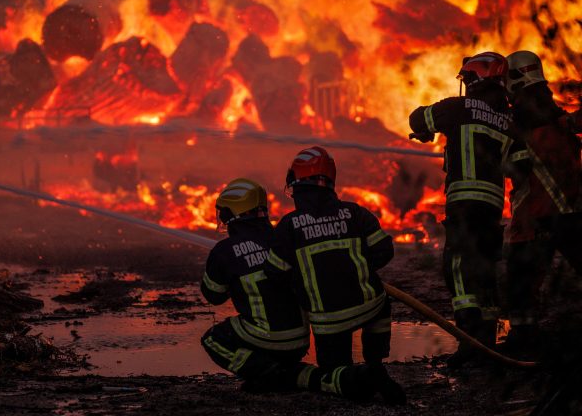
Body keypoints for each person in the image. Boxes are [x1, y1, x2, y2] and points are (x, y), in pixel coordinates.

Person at [264, 147, 406, 404]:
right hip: (369, 306)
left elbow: (275, 274)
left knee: (335, 375)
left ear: (296, 183)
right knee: (382, 302)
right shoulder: (356, 213)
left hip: (328, 320)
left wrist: (302, 280)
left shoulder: (288, 226)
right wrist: (357, 268)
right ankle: (375, 362)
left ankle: (362, 376)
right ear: (330, 183)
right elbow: (384, 251)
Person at [409, 52, 521, 366]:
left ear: (474, 79)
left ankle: (470, 345)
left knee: (458, 269)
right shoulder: (509, 118)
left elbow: (418, 118)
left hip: (464, 204)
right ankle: (487, 341)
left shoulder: (458, 108)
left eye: (467, 78)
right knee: (484, 270)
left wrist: (428, 130)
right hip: (493, 208)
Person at [200, 178, 312, 392]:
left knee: (213, 339)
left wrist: (219, 264)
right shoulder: (283, 237)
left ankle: (265, 371)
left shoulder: (225, 250)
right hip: (299, 341)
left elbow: (214, 296)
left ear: (229, 214)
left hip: (265, 340)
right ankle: (282, 371)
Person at [502, 50, 582, 350]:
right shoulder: (556, 116)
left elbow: (512, 165)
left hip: (534, 215)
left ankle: (524, 339)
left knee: (521, 279)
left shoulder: (517, 120)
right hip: (572, 210)